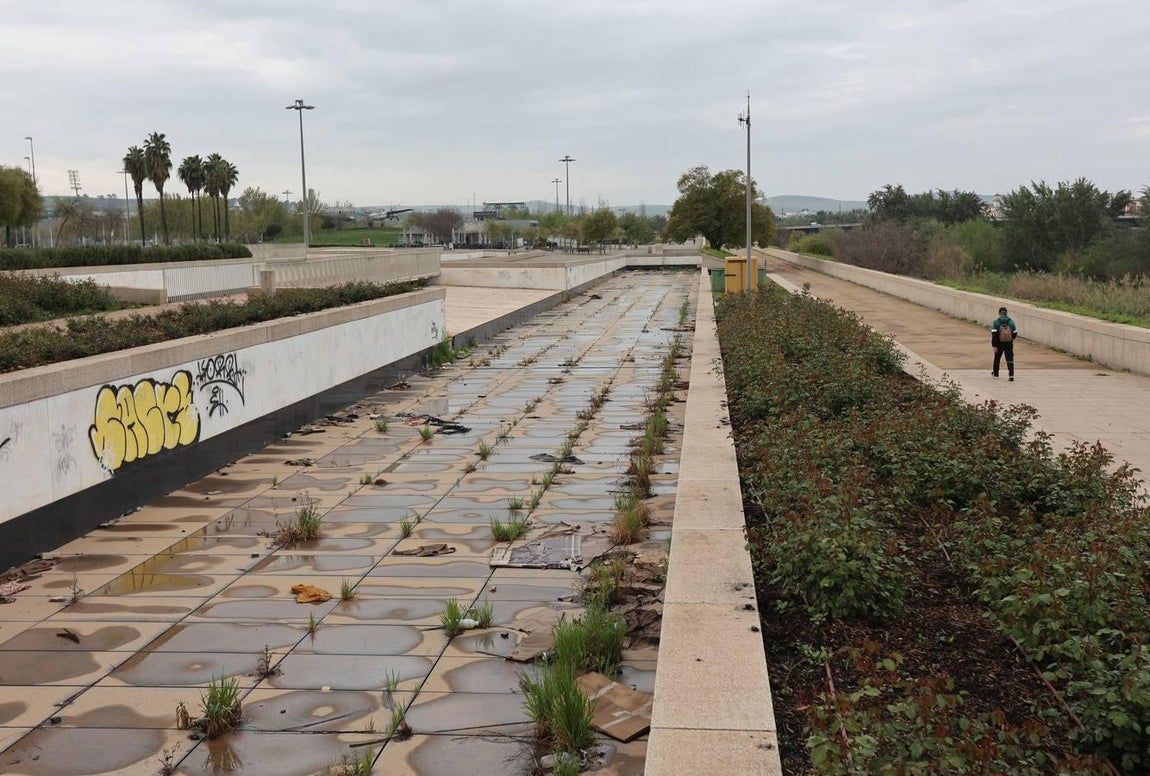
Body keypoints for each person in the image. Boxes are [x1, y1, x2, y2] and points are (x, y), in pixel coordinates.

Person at [991, 306, 1018, 380]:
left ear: (999, 313)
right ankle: (1011, 375)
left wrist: (994, 345)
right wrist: (1010, 339)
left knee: (997, 358)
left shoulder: (996, 322)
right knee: (1010, 359)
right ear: (1006, 313)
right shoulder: (1011, 322)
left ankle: (996, 373)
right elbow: (1015, 333)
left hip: (999, 344)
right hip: (1009, 343)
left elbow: (994, 335)